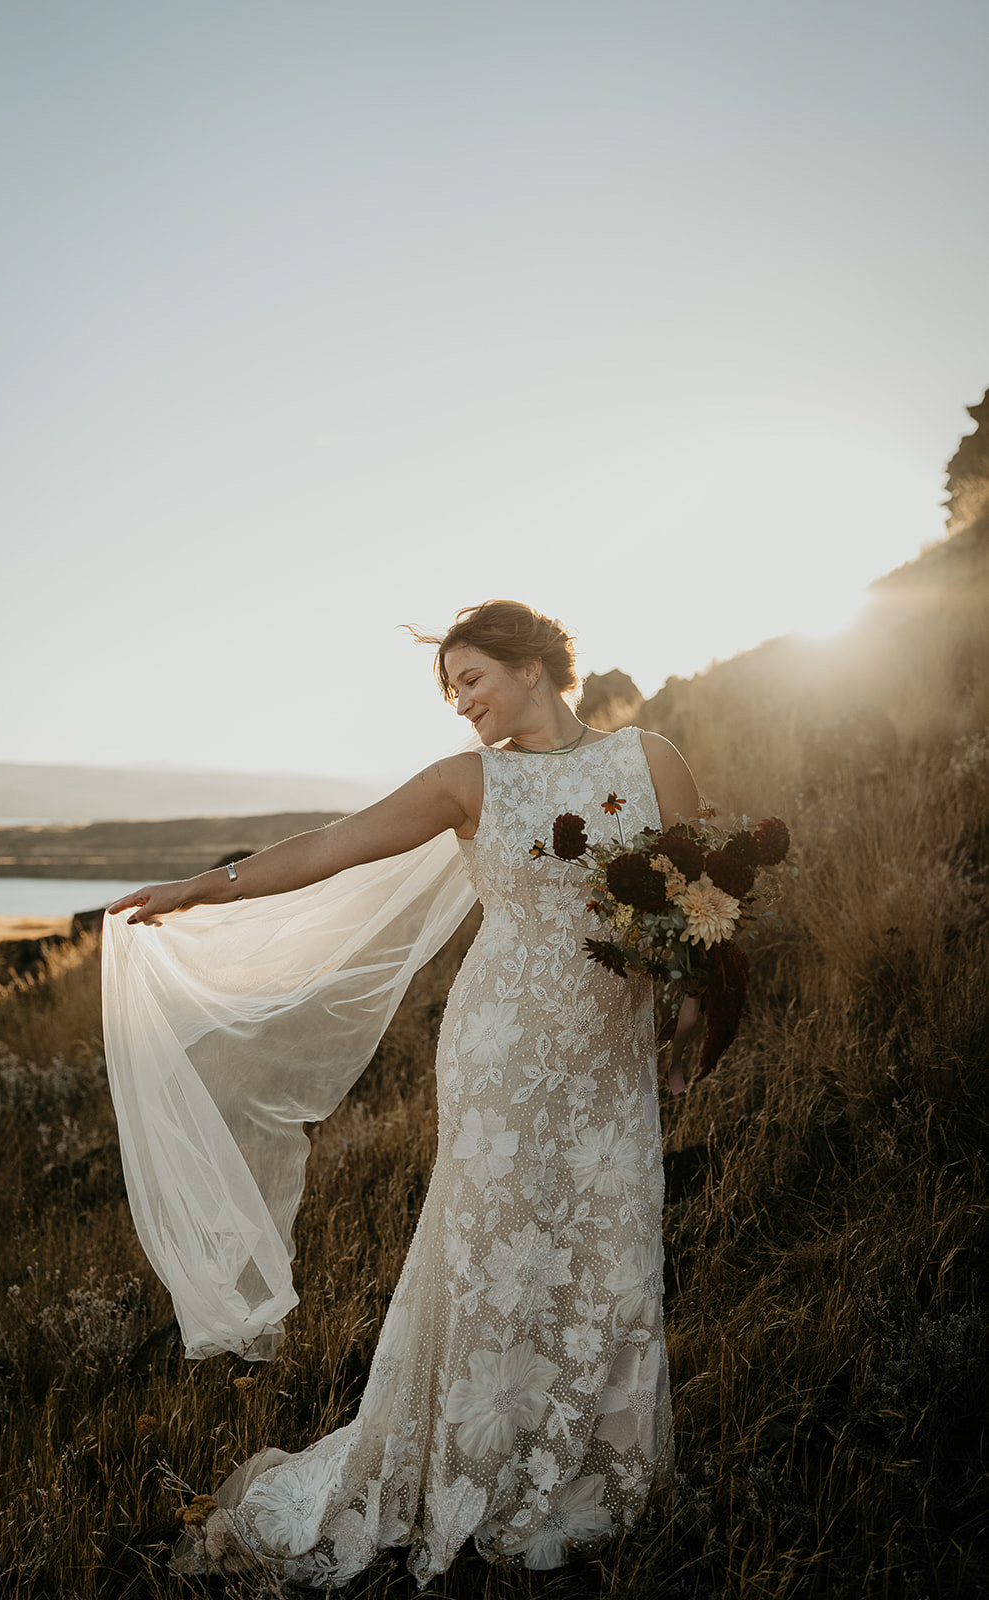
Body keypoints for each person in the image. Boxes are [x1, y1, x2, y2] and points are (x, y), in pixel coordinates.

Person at [104, 599, 699, 1588]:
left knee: (608, 1241)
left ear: (533, 663)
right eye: (451, 687)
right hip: (500, 1047)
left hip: (610, 1050)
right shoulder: (465, 781)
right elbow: (332, 845)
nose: (460, 702)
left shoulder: (652, 756)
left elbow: (696, 892)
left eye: (471, 678)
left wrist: (690, 1006)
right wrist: (203, 884)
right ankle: (471, 1464)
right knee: (496, 1254)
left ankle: (587, 1463)